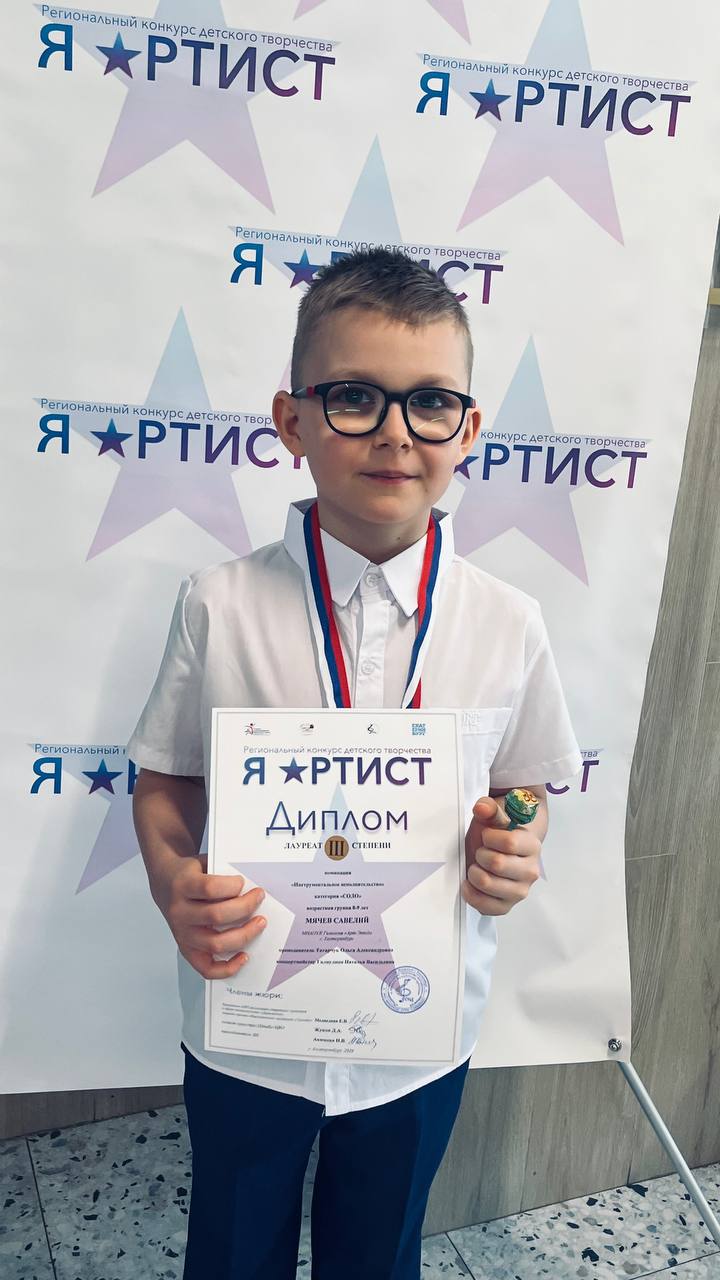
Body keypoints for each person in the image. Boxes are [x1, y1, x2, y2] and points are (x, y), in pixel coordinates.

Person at [129, 248, 582, 1280]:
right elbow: (167, 778)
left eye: (430, 402)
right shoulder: (218, 605)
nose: (393, 431)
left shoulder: (509, 622)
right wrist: (168, 879)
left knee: (378, 1257)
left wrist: (514, 842)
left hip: (419, 1034)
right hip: (247, 1023)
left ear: (468, 428)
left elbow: (521, 785)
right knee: (230, 1253)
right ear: (292, 420)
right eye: (353, 396)